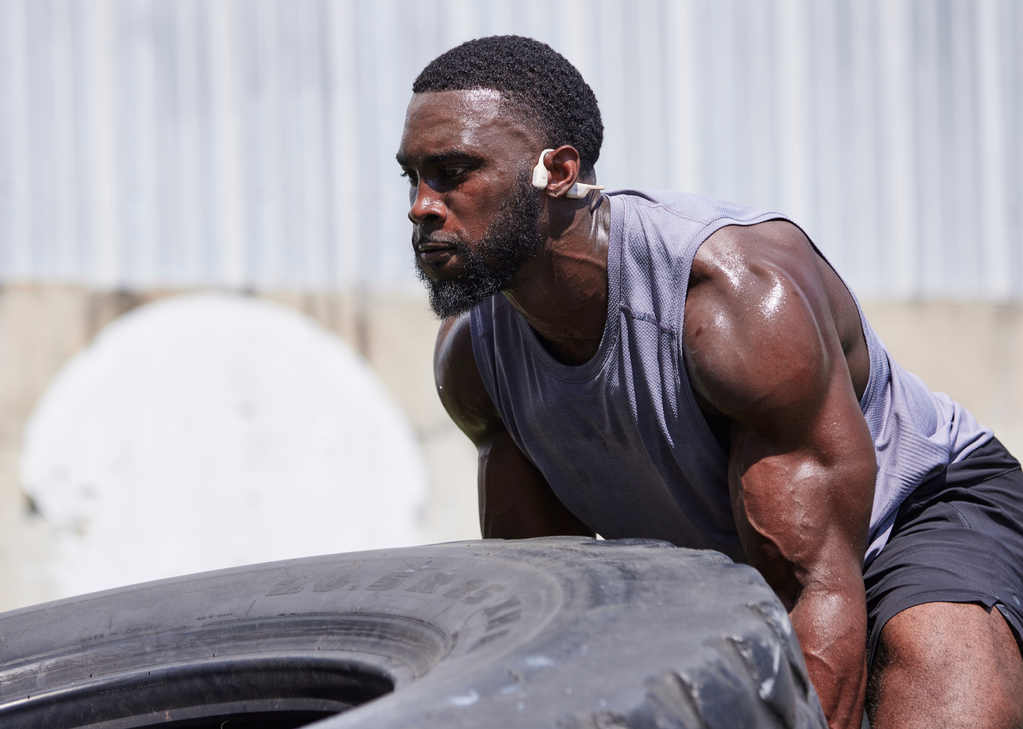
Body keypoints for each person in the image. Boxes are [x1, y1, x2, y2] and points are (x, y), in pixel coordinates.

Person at [396, 35, 1023, 729]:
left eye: (453, 173)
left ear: (559, 170)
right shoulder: (473, 360)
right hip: (732, 567)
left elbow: (815, 588)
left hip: (918, 509)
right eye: (413, 177)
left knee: (930, 658)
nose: (422, 206)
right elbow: (557, 613)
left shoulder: (735, 304)